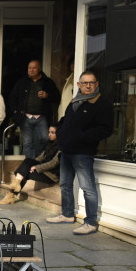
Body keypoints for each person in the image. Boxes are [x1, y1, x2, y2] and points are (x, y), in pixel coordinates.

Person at [47, 70, 114, 235]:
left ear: (97, 84)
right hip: (67, 149)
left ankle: (91, 222)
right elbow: (66, 120)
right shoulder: (76, 100)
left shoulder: (102, 103)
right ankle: (68, 214)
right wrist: (58, 129)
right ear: (79, 85)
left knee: (87, 187)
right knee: (65, 184)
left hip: (83, 151)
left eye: (92, 82)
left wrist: (82, 137)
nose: (88, 86)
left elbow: (106, 129)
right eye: (85, 83)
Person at [8, 60, 60, 159]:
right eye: (29, 68)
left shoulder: (47, 82)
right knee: (27, 143)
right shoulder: (22, 82)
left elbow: (57, 97)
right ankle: (30, 164)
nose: (31, 70)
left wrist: (47, 95)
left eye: (34, 68)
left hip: (42, 117)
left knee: (45, 139)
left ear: (39, 69)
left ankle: (37, 160)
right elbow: (12, 98)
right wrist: (15, 111)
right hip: (25, 117)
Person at [0, 125, 60, 205]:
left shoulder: (61, 147)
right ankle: (11, 194)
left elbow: (53, 164)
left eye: (52, 133)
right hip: (44, 171)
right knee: (25, 171)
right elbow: (40, 158)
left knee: (27, 165)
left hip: (51, 175)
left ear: (59, 133)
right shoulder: (49, 145)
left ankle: (12, 192)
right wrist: (31, 165)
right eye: (49, 132)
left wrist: (36, 167)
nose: (49, 134)